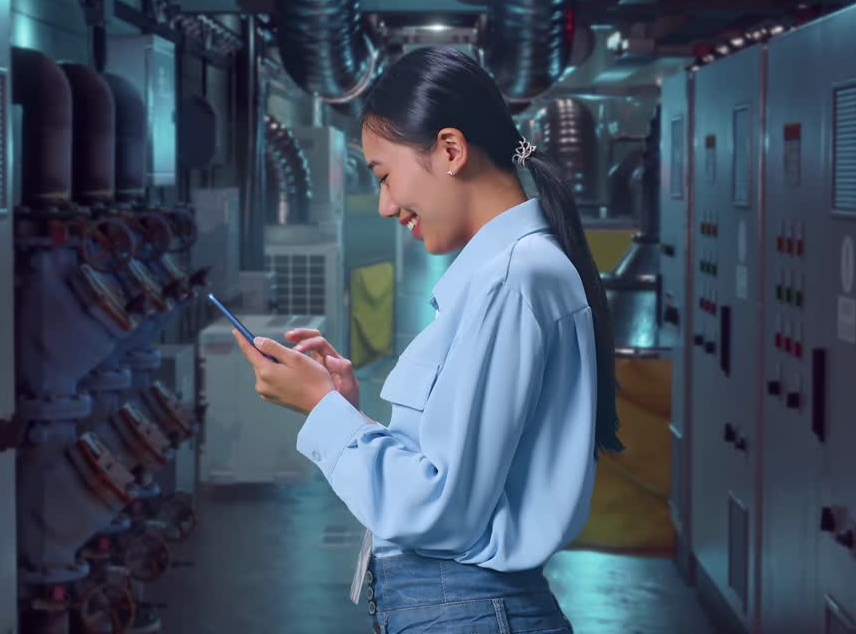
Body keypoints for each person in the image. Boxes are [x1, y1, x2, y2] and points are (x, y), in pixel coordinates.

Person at [230, 45, 622, 634]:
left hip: (468, 609)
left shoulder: (513, 279)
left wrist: (320, 410)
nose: (386, 204)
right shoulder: (506, 275)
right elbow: (452, 474)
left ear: (450, 150)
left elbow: (444, 512)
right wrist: (346, 410)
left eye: (385, 176)